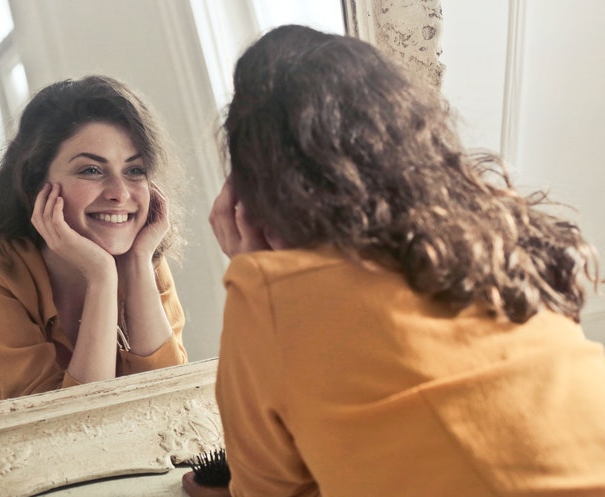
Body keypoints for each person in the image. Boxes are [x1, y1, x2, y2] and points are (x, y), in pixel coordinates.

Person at [191, 25, 605, 497]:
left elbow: (267, 493)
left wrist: (250, 267)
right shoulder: (499, 238)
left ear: (252, 198)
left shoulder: (272, 294)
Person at [0, 75, 188, 409]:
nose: (119, 193)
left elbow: (172, 404)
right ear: (35, 184)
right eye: (90, 170)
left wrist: (138, 265)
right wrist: (101, 277)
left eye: (135, 170)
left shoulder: (142, 259)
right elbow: (62, 427)